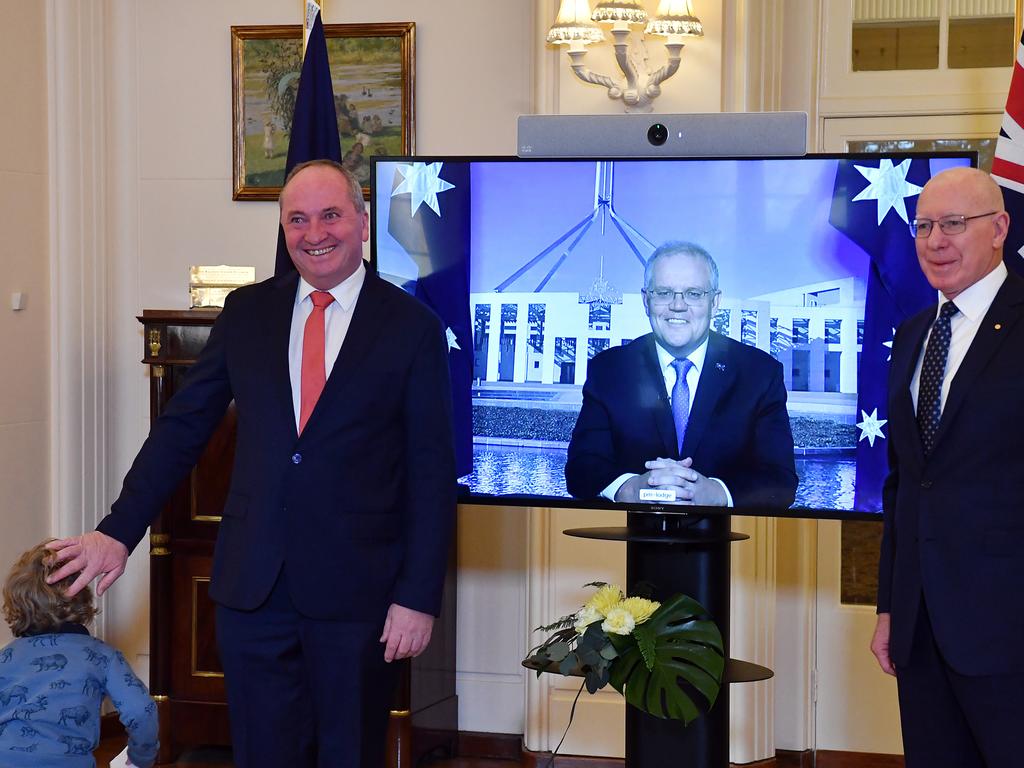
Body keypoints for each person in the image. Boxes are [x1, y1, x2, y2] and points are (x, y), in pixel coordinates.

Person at [46, 159, 457, 768]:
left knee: (349, 754)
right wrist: (117, 532)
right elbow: (182, 430)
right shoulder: (247, 313)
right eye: (297, 219)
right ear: (283, 229)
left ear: (363, 223)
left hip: (358, 597)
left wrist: (418, 597)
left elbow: (430, 473)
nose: (314, 232)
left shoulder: (413, 327)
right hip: (252, 592)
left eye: (330, 215)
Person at [870, 166, 1022, 767]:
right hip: (921, 630)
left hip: (1010, 633)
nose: (936, 240)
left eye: (954, 224)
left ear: (999, 229)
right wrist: (889, 607)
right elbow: (905, 484)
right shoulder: (912, 335)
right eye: (925, 225)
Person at [564, 241, 797, 509]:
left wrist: (717, 493)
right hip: (628, 542)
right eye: (663, 292)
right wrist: (631, 488)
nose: (678, 305)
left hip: (727, 544)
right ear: (646, 300)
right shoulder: (609, 370)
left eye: (694, 294)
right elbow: (581, 469)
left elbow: (781, 480)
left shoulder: (759, 374)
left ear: (715, 302)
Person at [0, 541, 158, 767]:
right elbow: (142, 711)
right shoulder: (103, 656)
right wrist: (141, 757)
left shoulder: (6, 657)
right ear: (82, 596)